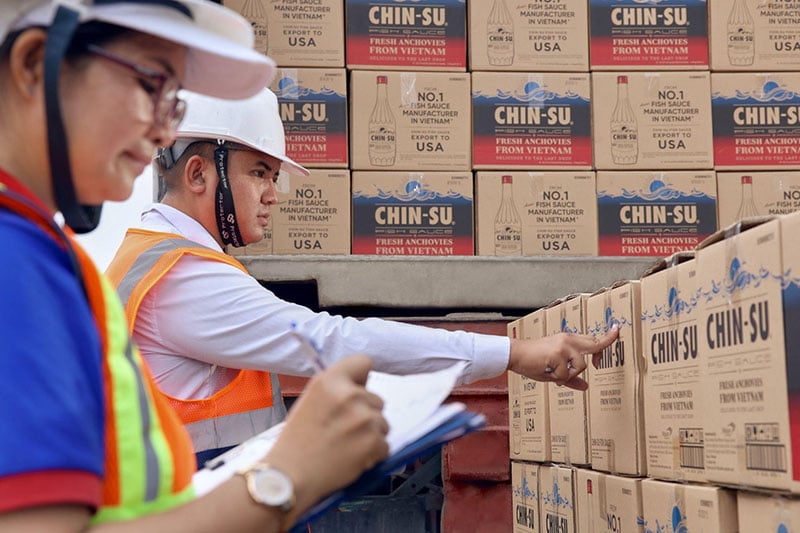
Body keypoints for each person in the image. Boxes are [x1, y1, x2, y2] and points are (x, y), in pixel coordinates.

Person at [0, 1, 389, 531]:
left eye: (174, 104)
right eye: (150, 84)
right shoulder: (16, 261)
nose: (163, 135)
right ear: (33, 63)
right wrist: (282, 480)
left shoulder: (48, 253)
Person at [105, 86, 621, 463]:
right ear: (198, 174)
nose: (273, 195)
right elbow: (331, 342)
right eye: (259, 172)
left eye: (274, 176)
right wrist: (515, 353)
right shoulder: (181, 279)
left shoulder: (152, 260)